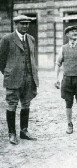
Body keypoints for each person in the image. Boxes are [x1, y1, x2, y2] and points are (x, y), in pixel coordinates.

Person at [0, 15, 39, 145]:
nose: (25, 26)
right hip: (13, 78)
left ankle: (24, 131)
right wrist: (8, 72)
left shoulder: (31, 39)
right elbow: (1, 60)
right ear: (16, 24)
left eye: (27, 24)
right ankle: (12, 133)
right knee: (12, 105)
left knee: (26, 104)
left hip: (29, 77)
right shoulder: (7, 39)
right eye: (22, 23)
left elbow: (32, 57)